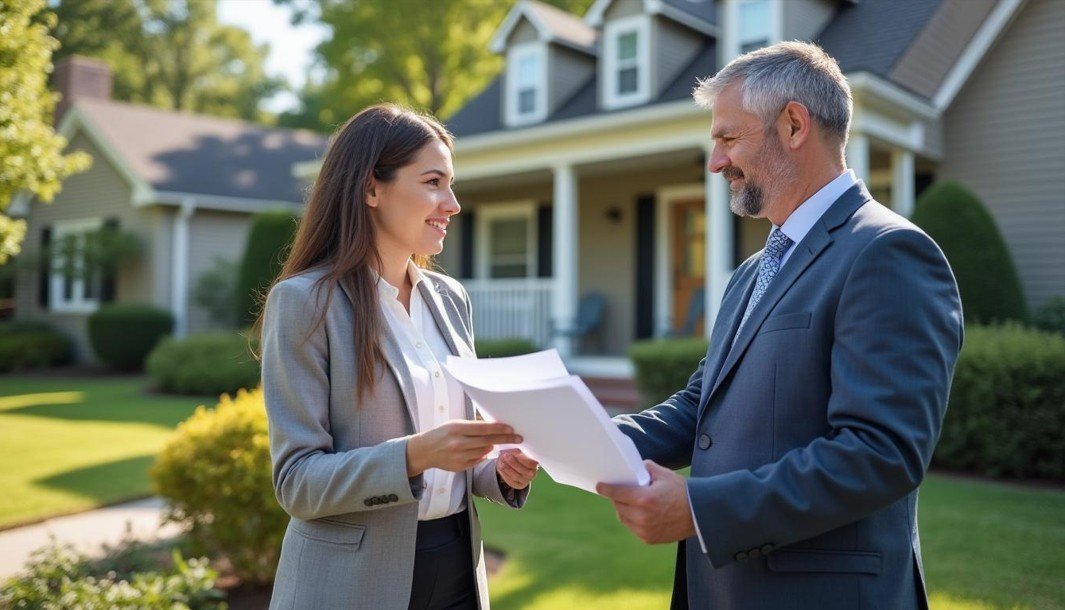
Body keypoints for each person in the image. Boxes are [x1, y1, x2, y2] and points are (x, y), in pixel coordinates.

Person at [596, 42, 963, 610]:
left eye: (728, 138)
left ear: (794, 124)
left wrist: (700, 509)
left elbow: (881, 452)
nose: (715, 162)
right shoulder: (752, 272)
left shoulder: (889, 253)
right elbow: (702, 405)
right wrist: (581, 439)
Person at [258, 104, 539, 610]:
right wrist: (417, 455)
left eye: (451, 185)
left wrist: (497, 469)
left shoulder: (451, 298)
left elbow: (456, 448)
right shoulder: (305, 303)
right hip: (352, 585)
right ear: (371, 189)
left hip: (457, 569)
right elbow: (296, 482)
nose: (452, 204)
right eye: (433, 182)